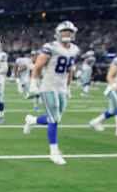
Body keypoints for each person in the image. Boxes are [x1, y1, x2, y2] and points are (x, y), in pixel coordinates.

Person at [23, 21, 80, 165]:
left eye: (69, 31)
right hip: (48, 86)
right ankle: (53, 152)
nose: (66, 34)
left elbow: (70, 70)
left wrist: (68, 87)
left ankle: (32, 120)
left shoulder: (74, 49)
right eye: (64, 31)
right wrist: (33, 84)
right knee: (54, 119)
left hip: (61, 87)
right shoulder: (50, 47)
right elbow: (38, 66)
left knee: (56, 118)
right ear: (58, 33)